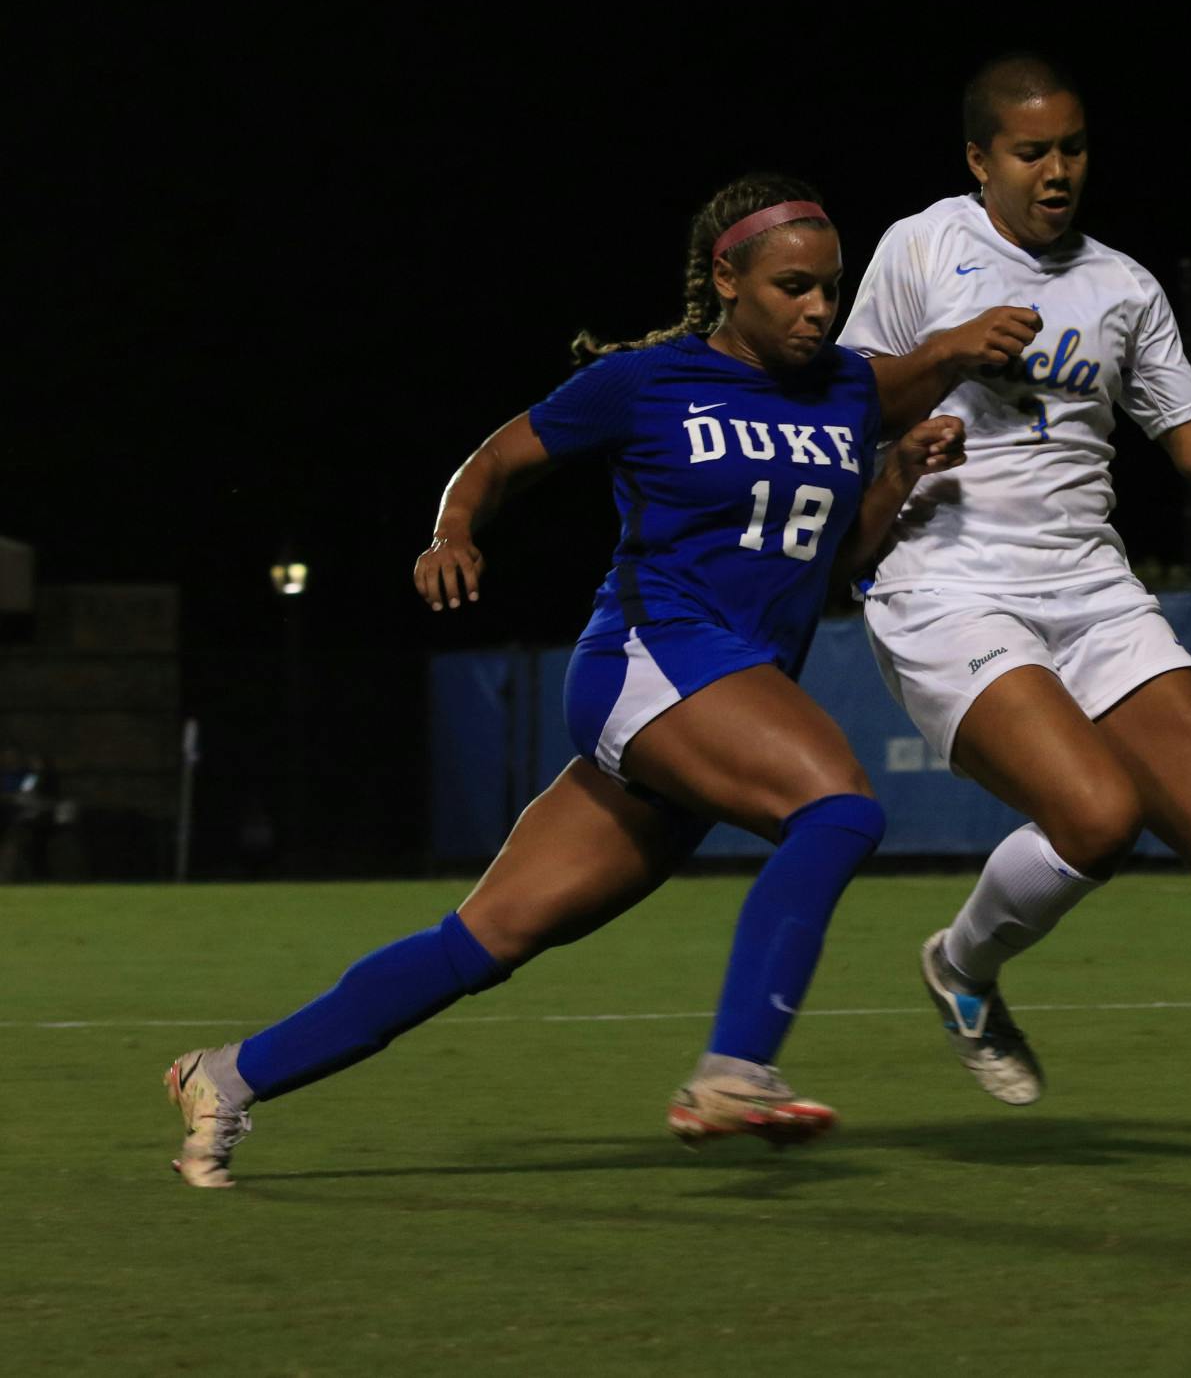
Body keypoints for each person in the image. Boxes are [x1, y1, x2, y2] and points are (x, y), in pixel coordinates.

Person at [163, 174, 967, 1187]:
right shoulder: (645, 382)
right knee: (840, 811)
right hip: (646, 657)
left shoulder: (846, 393)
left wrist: (895, 480)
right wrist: (452, 530)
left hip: (720, 691)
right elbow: (496, 460)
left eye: (828, 288)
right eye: (792, 286)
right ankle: (733, 1067)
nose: (817, 308)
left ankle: (226, 1076)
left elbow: (827, 559)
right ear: (726, 278)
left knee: (484, 941)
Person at [838, 54, 1191, 1172]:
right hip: (947, 581)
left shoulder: (1122, 287)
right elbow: (842, 401)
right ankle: (960, 967)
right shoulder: (922, 247)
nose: (1056, 172)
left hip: (1092, 589)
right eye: (1030, 152)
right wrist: (940, 370)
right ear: (977, 160)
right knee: (1096, 818)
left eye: (1073, 148)